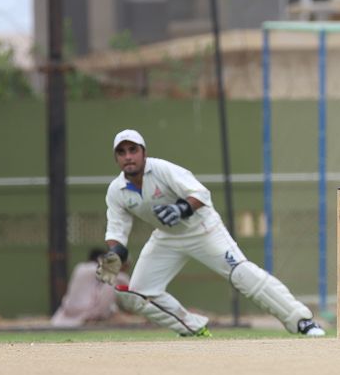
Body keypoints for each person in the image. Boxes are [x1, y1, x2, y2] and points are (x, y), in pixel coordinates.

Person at [95, 129, 326, 337]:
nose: (128, 156)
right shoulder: (116, 190)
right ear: (116, 158)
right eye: (122, 152)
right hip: (166, 237)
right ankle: (193, 328)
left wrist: (180, 209)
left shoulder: (162, 169)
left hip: (202, 229)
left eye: (133, 150)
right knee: (138, 294)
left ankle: (301, 321)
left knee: (241, 274)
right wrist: (114, 255)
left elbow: (200, 193)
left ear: (144, 153)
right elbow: (116, 230)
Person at [51, 247, 130, 327]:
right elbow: (122, 278)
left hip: (66, 312)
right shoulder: (94, 268)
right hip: (86, 314)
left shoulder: (79, 267)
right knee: (111, 283)